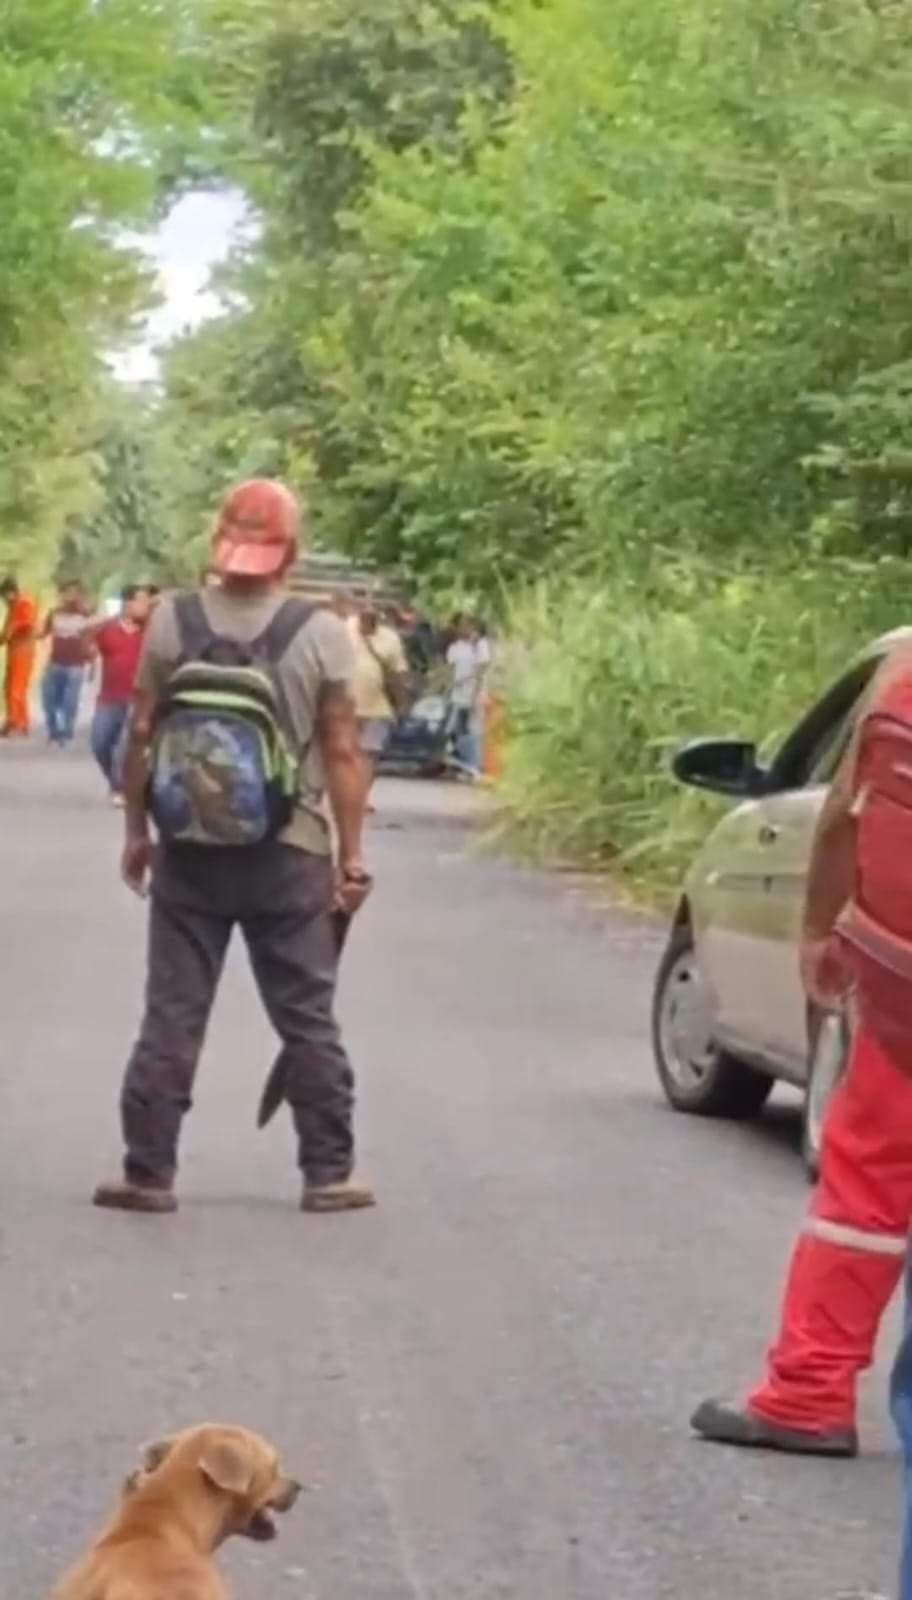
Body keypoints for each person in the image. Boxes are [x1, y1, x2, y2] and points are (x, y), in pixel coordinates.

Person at [93, 478, 375, 1217]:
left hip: (188, 849)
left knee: (173, 1012)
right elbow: (343, 752)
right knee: (307, 1014)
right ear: (293, 550)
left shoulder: (171, 621)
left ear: (220, 543)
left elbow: (143, 734)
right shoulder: (320, 633)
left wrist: (136, 832)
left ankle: (148, 1173)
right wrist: (351, 856)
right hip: (291, 852)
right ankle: (329, 1174)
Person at [692, 638, 912, 1461]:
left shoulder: (905, 673)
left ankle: (809, 1391)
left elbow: (842, 816)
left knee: (862, 1195)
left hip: (900, 992)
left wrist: (822, 928)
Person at [89, 585, 157, 803]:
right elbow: (87, 645)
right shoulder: (108, 630)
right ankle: (115, 781)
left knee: (125, 747)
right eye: (141, 602)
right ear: (127, 604)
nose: (145, 607)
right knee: (100, 743)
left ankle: (121, 788)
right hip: (109, 697)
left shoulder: (151, 630)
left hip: (137, 698)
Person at [348, 595, 410, 786]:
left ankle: (361, 797)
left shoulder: (390, 638)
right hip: (346, 706)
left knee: (369, 755)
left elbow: (399, 673)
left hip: (378, 707)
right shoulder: (345, 629)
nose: (368, 617)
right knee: (349, 755)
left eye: (372, 614)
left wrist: (401, 704)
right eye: (364, 613)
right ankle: (350, 795)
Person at [41, 579, 92, 745]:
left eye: (74, 593)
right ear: (62, 595)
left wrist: (93, 664)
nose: (71, 596)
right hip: (55, 661)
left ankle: (67, 731)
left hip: (75, 664)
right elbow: (43, 632)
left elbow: (91, 639)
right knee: (49, 699)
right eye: (67, 593)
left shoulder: (86, 615)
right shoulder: (54, 613)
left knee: (70, 700)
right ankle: (53, 730)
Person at [446, 615, 491, 776]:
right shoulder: (455, 647)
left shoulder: (480, 645)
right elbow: (451, 672)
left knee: (474, 729)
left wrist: (474, 694)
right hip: (457, 695)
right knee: (456, 729)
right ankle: (461, 764)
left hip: (474, 693)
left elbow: (481, 670)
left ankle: (475, 765)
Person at [0, 577, 39, 736]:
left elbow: (27, 624)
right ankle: (18, 721)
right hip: (14, 650)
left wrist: (9, 633)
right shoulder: (14, 605)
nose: (4, 600)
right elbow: (6, 630)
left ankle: (16, 722)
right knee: (10, 686)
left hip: (23, 650)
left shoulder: (25, 603)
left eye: (4, 596)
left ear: (11, 592)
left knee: (16, 687)